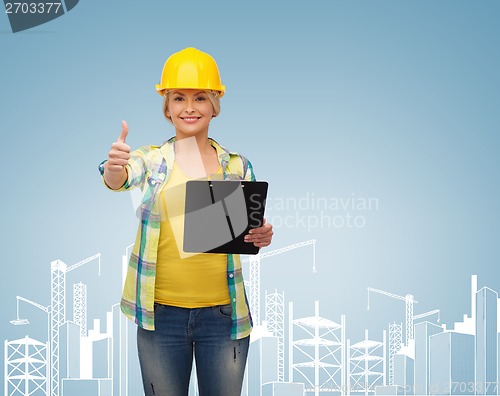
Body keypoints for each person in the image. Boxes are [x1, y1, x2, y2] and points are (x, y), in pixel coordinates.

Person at [98, 47, 273, 396]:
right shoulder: (152, 159)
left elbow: (248, 229)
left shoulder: (237, 167)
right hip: (161, 317)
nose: (189, 107)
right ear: (167, 106)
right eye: (179, 98)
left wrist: (262, 234)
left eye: (200, 98)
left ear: (214, 104)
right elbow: (120, 177)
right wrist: (115, 168)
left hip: (223, 317)